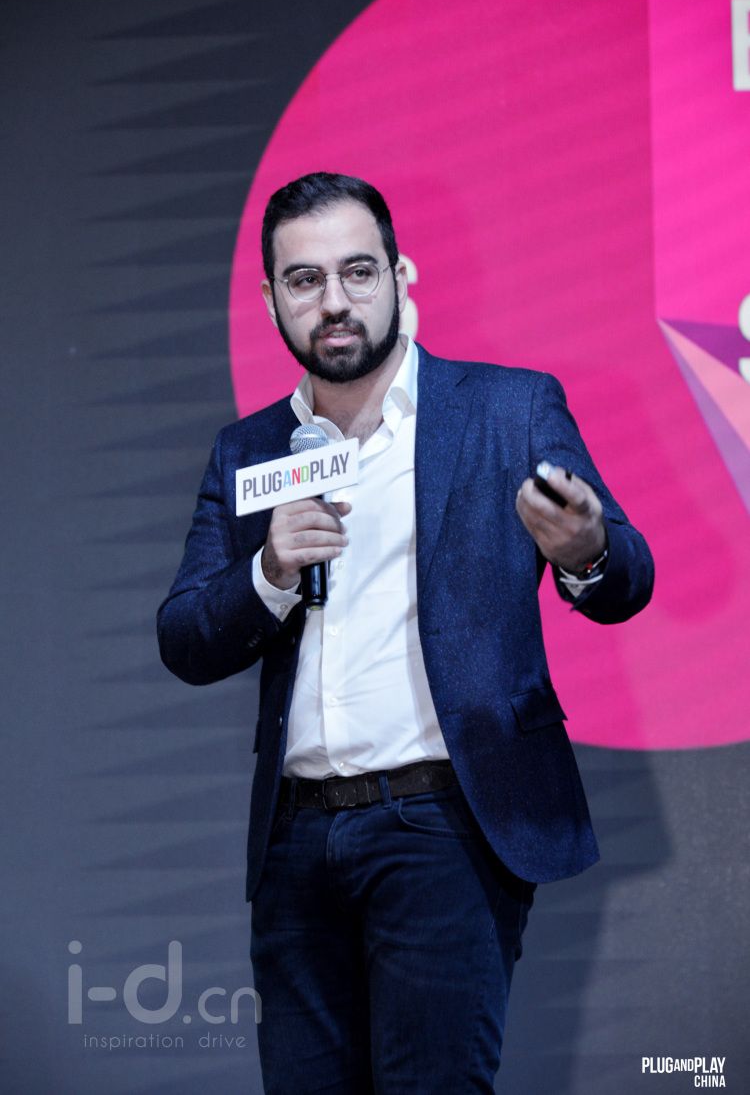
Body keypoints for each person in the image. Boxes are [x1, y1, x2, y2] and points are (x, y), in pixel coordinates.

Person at [157, 172, 654, 1094]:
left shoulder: (506, 410)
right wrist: (268, 572)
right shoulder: (248, 452)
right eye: (304, 280)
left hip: (444, 826)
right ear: (271, 299)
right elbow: (184, 637)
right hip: (295, 844)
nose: (334, 301)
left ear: (399, 276)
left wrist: (586, 549)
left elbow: (628, 576)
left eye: (357, 271)